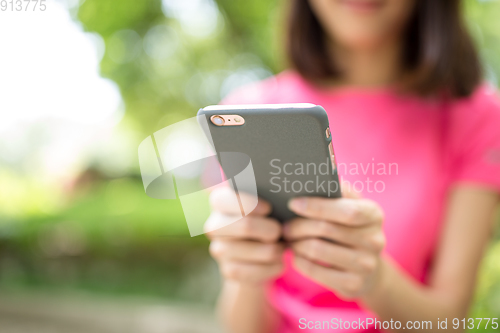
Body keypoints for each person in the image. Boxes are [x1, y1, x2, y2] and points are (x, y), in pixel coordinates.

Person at [205, 0, 500, 332]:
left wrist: (374, 279)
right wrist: (247, 270)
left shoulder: (477, 118)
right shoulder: (248, 111)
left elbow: (450, 322)